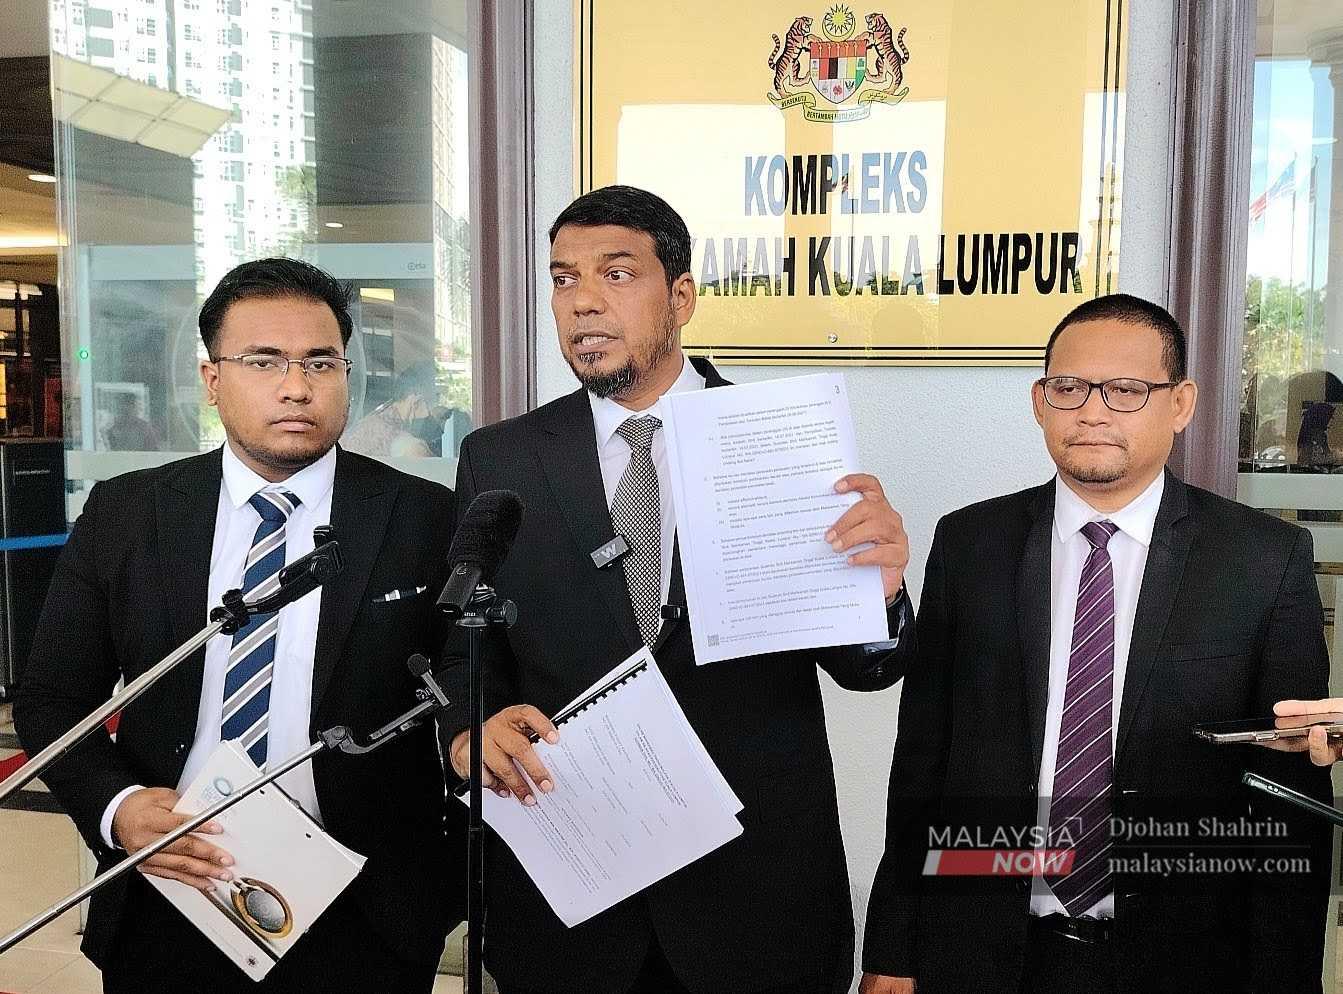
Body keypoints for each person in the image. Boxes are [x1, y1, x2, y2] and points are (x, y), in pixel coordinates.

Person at [439, 185, 916, 994]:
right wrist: (466, 733)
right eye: (562, 279)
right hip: (571, 896)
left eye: (616, 273)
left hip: (756, 900)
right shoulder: (502, 458)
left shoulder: (779, 440)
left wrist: (882, 594)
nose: (583, 301)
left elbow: (866, 668)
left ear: (682, 296)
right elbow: (461, 653)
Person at [860, 294, 1332, 994]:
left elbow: (1290, 791)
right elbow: (922, 757)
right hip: (988, 949)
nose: (1091, 410)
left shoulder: (1263, 559)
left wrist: (1284, 974)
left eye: (1126, 390)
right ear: (1038, 400)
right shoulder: (971, 544)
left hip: (1185, 958)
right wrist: (893, 949)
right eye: (1068, 387)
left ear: (1179, 404)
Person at [14, 258, 463, 993]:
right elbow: (53, 699)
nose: (296, 386)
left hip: (365, 909)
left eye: (320, 361)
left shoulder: (421, 517)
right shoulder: (130, 513)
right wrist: (118, 808)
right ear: (212, 377)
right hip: (173, 882)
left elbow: (466, 681)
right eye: (263, 361)